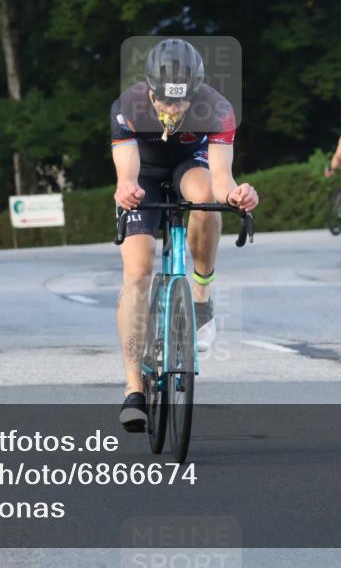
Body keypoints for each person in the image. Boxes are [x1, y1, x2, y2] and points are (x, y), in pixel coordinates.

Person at [112, 38, 259, 432]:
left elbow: (223, 177)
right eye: (165, 101)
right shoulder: (129, 106)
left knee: (207, 197)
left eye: (181, 102)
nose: (173, 110)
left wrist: (239, 194)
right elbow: (126, 174)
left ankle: (201, 294)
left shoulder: (218, 108)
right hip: (144, 173)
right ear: (150, 90)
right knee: (138, 275)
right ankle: (133, 389)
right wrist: (126, 189)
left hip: (188, 168)